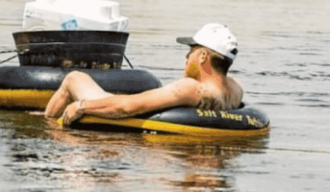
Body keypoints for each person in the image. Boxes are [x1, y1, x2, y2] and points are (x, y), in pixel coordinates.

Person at [44, 23, 244, 126]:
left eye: (191, 50)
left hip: (126, 118)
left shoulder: (191, 88)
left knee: (74, 78)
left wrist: (81, 106)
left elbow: (125, 108)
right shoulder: (235, 89)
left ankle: (47, 127)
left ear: (202, 56)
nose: (186, 55)